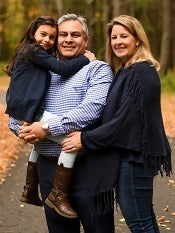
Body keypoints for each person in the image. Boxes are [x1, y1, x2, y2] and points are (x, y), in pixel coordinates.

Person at [61, 15, 172, 233]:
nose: (118, 41)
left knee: (140, 223)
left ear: (138, 40)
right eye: (114, 37)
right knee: (144, 219)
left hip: (135, 158)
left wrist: (84, 139)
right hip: (131, 156)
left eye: (124, 36)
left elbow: (123, 122)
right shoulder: (126, 71)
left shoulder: (141, 71)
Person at [12, 13, 115, 233]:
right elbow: (20, 104)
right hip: (48, 168)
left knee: (99, 228)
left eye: (75, 35)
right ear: (56, 40)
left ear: (85, 41)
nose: (68, 39)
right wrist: (22, 129)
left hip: (89, 168)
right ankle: (35, 189)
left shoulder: (97, 69)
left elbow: (91, 110)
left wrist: (46, 128)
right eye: (63, 34)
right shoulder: (42, 68)